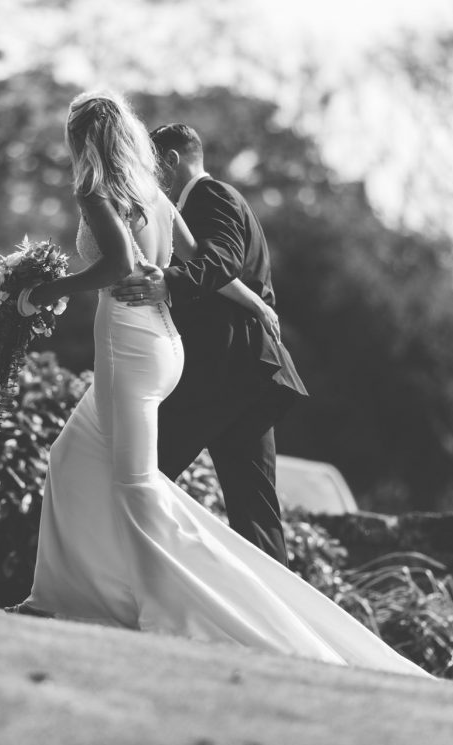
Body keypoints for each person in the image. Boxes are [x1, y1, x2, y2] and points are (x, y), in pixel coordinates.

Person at [8, 89, 430, 677]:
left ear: (83, 142)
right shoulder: (155, 196)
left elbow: (123, 269)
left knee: (138, 484)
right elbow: (207, 257)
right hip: (172, 352)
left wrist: (38, 294)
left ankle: (180, 605)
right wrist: (256, 301)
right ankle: (60, 594)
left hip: (140, 349)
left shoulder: (109, 191)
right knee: (72, 457)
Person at [111, 123, 308, 566]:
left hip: (224, 370)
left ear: (171, 161)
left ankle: (141, 577)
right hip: (250, 374)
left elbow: (221, 260)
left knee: (143, 468)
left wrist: (169, 285)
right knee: (255, 509)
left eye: (150, 165)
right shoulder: (201, 204)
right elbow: (224, 267)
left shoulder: (210, 196)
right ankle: (272, 621)